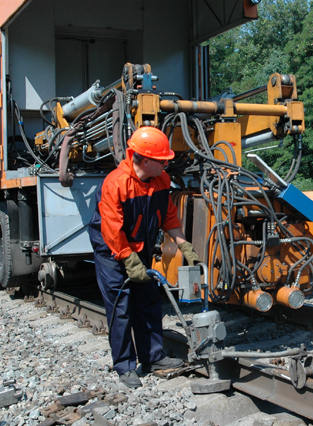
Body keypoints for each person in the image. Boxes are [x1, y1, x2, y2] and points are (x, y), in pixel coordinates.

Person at [88, 126, 199, 389]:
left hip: (140, 248)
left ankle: (153, 357)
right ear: (145, 160)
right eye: (162, 160)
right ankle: (125, 366)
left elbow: (168, 216)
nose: (166, 163)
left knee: (148, 300)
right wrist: (128, 260)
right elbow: (112, 229)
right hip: (111, 252)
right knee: (121, 305)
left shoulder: (160, 180)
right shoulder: (115, 184)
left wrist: (184, 245)